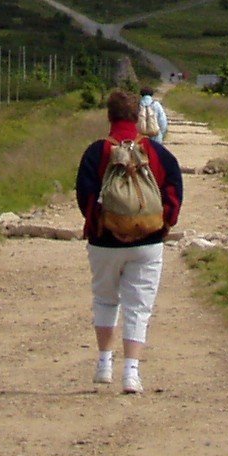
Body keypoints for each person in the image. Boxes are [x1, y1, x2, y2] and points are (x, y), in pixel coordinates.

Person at [75, 88, 184, 394]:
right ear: (138, 117)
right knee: (139, 307)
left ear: (108, 116)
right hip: (147, 243)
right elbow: (174, 191)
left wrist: (98, 223)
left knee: (105, 299)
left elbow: (84, 196)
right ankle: (131, 374)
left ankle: (104, 364)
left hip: (104, 243)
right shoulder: (157, 153)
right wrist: (162, 224)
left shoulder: (97, 152)